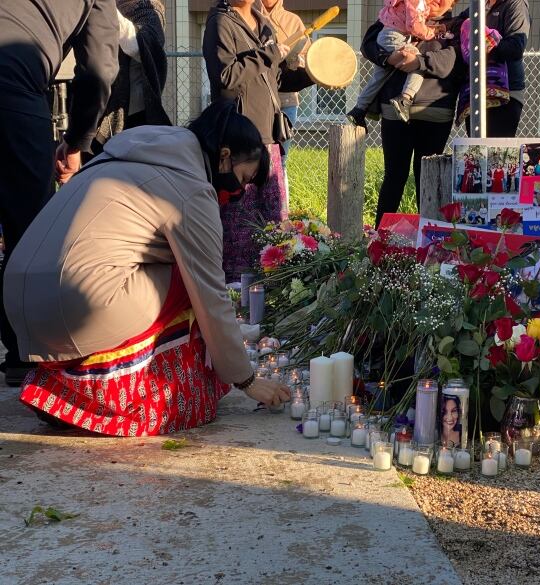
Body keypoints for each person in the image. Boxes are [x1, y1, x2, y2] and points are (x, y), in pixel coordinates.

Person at [3, 102, 290, 435]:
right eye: (242, 179)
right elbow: (210, 293)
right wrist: (246, 379)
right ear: (224, 156)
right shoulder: (191, 188)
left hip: (18, 306)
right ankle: (129, 395)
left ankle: (68, 389)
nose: (239, 192)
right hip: (77, 305)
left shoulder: (122, 155)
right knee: (192, 279)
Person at [0, 0, 119, 387]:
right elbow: (100, 69)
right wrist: (77, 142)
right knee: (28, 232)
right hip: (14, 91)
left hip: (15, 84)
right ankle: (23, 353)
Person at [203, 0, 314, 281]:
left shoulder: (263, 23)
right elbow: (225, 78)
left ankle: (275, 292)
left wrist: (312, 74)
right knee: (240, 231)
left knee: (275, 224)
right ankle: (235, 300)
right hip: (239, 141)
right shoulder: (220, 22)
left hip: (270, 140)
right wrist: (268, 54)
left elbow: (274, 80)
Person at [362, 0, 464, 226]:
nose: (437, 2)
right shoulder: (398, 13)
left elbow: (450, 62)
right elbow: (369, 43)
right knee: (394, 177)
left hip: (436, 111)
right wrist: (387, 58)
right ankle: (381, 238)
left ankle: (429, 241)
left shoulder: (456, 25)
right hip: (394, 111)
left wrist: (417, 62)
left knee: (427, 179)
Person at [89, 0, 171, 159]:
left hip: (131, 116)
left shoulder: (150, 8)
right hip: (94, 112)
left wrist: (107, 10)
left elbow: (142, 46)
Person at [347, 0, 444, 126]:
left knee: (379, 77)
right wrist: (431, 33)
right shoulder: (417, 1)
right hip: (395, 37)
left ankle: (359, 110)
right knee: (418, 63)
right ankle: (404, 99)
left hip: (385, 36)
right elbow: (414, 25)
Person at [461, 0, 530, 137]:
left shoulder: (515, 4)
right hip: (475, 90)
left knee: (497, 153)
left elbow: (516, 47)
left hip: (506, 93)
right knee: (476, 152)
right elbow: (458, 23)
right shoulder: (478, 6)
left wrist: (485, 44)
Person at [257, 0, 309, 157]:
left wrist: (295, 60)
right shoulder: (249, 18)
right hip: (255, 101)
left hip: (286, 102)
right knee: (254, 159)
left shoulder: (293, 21)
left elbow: (306, 56)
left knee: (281, 158)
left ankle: (278, 182)